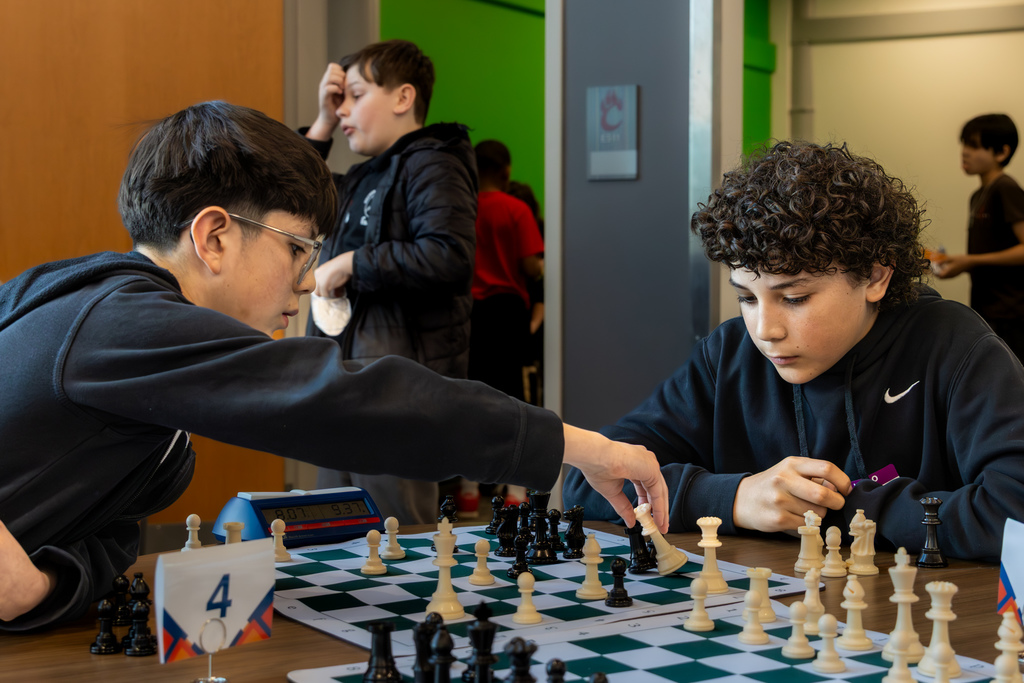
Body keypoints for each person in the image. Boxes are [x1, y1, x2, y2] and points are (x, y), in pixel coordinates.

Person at [0, 101, 668, 631]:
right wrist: (575, 445)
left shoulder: (94, 310)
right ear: (213, 236)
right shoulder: (116, 321)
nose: (308, 280)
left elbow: (107, 538)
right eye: (297, 249)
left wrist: (47, 585)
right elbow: (341, 400)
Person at [564, 140, 1024, 562]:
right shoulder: (729, 353)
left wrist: (834, 508)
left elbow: (1014, 513)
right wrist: (738, 498)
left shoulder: (957, 346)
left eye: (795, 297)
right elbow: (589, 479)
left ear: (876, 277)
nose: (765, 331)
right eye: (747, 297)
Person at [301, 40, 477, 525]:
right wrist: (321, 124)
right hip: (341, 375)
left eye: (355, 95)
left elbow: (450, 256)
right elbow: (291, 194)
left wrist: (353, 263)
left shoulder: (433, 162)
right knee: (331, 526)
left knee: (397, 534)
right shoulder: (361, 176)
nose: (343, 109)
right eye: (339, 100)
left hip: (398, 388)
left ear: (403, 98)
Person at [933, 114, 1024, 363]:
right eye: (964, 144)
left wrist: (970, 261)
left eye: (974, 145)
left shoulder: (1006, 189)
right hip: (987, 307)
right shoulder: (978, 196)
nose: (965, 152)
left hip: (1010, 313)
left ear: (1001, 152)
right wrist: (955, 263)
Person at [468, 140, 544, 402]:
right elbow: (530, 266)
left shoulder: (463, 210)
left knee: (475, 387)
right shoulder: (517, 210)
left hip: (471, 313)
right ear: (506, 172)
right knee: (510, 391)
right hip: (508, 313)